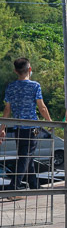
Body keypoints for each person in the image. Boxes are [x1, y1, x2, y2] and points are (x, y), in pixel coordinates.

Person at [0, 58, 52, 191]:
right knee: (26, 156)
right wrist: (50, 122)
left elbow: (7, 109)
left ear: (15, 71)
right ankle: (14, 187)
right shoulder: (35, 86)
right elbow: (42, 108)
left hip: (17, 128)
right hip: (32, 128)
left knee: (27, 156)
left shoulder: (11, 87)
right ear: (29, 69)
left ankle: (34, 186)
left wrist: (2, 128)